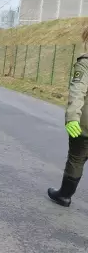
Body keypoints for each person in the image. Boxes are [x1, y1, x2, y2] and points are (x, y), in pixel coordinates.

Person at [47, 27, 88, 207]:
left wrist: (72, 116)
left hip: (83, 123)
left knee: (77, 157)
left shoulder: (85, 62)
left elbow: (78, 90)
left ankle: (64, 195)